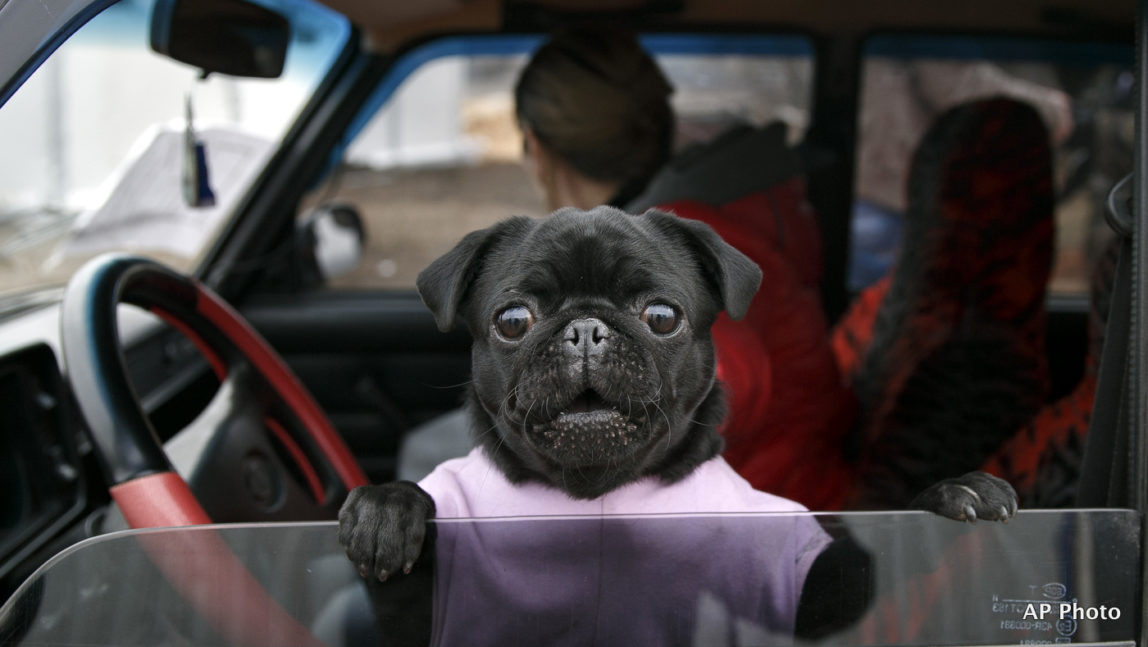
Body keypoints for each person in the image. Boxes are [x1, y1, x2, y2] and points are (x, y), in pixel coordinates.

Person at [509, 27, 855, 509]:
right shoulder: (697, 225)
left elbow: (728, 377)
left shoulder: (683, 247)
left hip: (778, 544)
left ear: (534, 146)